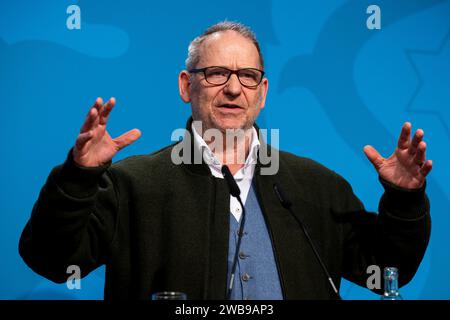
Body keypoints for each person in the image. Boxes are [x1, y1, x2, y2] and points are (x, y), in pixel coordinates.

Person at [19, 21, 432, 300]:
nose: (234, 88)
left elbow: (387, 270)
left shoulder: (317, 184)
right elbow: (53, 261)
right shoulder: (132, 183)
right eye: (217, 73)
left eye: (248, 76)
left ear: (263, 91)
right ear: (187, 85)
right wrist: (78, 179)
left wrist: (404, 200)